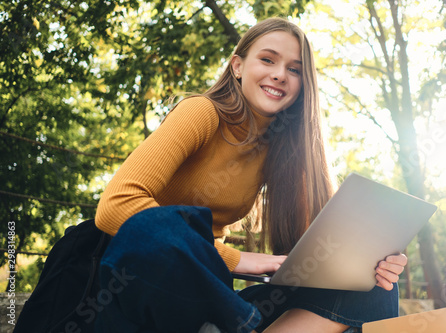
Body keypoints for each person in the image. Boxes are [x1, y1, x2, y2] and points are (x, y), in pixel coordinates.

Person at [94, 17, 407, 333]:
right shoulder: (202, 112)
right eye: (268, 59)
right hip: (139, 285)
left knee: (372, 286)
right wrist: (235, 260)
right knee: (156, 225)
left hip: (213, 300)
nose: (279, 74)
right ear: (237, 66)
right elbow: (116, 205)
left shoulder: (280, 149)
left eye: (294, 69)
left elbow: (318, 257)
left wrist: (374, 261)